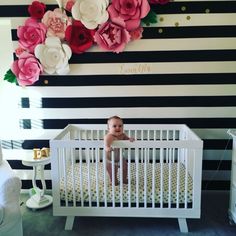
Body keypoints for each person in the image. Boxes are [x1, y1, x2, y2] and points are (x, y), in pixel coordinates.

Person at [104, 116, 134, 185]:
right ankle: (114, 180)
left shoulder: (122, 135)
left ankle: (124, 179)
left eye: (120, 126)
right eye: (114, 126)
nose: (118, 127)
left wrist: (129, 139)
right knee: (112, 171)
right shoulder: (109, 136)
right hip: (110, 160)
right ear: (109, 128)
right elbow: (106, 140)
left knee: (125, 168)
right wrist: (107, 147)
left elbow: (127, 139)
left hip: (120, 157)